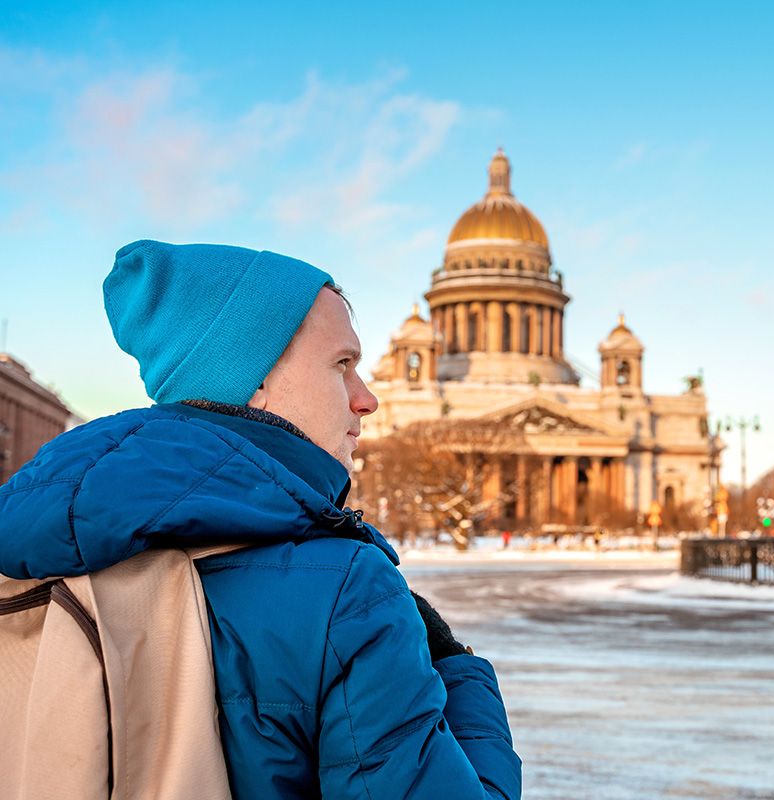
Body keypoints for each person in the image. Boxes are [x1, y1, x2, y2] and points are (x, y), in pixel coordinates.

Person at [0, 241, 521, 799]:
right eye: (342, 364)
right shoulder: (343, 588)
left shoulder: (29, 548)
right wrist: (459, 671)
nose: (367, 399)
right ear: (253, 379)